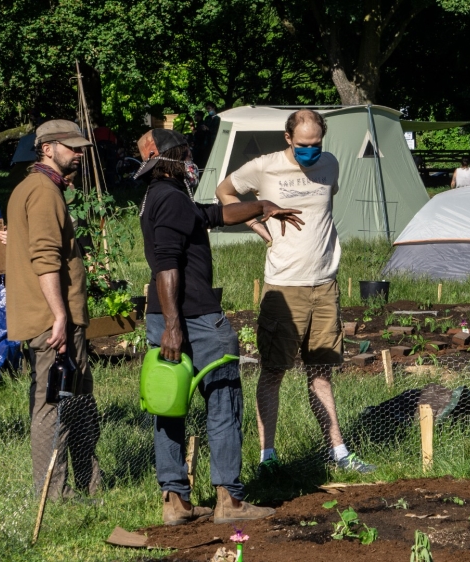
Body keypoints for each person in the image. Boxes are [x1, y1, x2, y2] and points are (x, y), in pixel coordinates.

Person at [135, 128, 303, 525]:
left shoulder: (160, 198)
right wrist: (176, 326)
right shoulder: (171, 199)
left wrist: (262, 205)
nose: (191, 161)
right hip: (193, 319)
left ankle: (174, 501)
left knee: (169, 404)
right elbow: (166, 263)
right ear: (170, 159)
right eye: (186, 153)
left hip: (164, 316)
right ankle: (230, 500)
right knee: (224, 401)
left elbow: (212, 215)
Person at [215, 109, 376, 476]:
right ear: (288, 139)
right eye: (303, 145)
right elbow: (223, 191)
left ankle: (338, 452)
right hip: (285, 288)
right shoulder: (264, 167)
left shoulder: (331, 165)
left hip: (325, 284)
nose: (310, 151)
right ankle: (267, 459)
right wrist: (256, 223)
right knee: (273, 373)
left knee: (321, 372)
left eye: (316, 144)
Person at [6, 120, 101, 499]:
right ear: (46, 148)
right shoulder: (43, 192)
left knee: (77, 403)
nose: (79, 153)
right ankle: (53, 495)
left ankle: (87, 486)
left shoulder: (32, 188)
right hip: (53, 320)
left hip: (54, 316)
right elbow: (46, 259)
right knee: (53, 406)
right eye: (72, 147)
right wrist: (59, 316)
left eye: (80, 147)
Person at [194, 102, 220, 168]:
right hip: (206, 141)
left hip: (214, 140)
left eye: (209, 108)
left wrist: (208, 129)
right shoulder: (207, 118)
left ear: (213, 108)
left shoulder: (218, 118)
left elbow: (217, 129)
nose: (208, 110)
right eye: (207, 109)